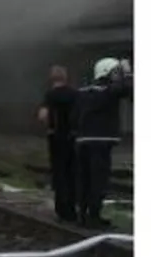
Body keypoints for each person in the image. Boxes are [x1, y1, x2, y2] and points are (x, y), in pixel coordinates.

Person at [71, 57, 132, 229]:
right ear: (106, 72)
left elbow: (73, 117)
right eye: (115, 72)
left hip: (82, 142)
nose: (117, 76)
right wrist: (127, 71)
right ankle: (94, 217)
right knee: (99, 181)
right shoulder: (108, 91)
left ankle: (82, 215)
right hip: (101, 143)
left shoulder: (82, 92)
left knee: (84, 179)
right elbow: (127, 87)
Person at [37, 65, 78, 222]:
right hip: (73, 137)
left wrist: (49, 125)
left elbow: (43, 115)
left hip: (56, 137)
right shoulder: (75, 94)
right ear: (66, 77)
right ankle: (73, 209)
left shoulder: (50, 95)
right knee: (72, 172)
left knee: (59, 173)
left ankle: (61, 209)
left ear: (51, 78)